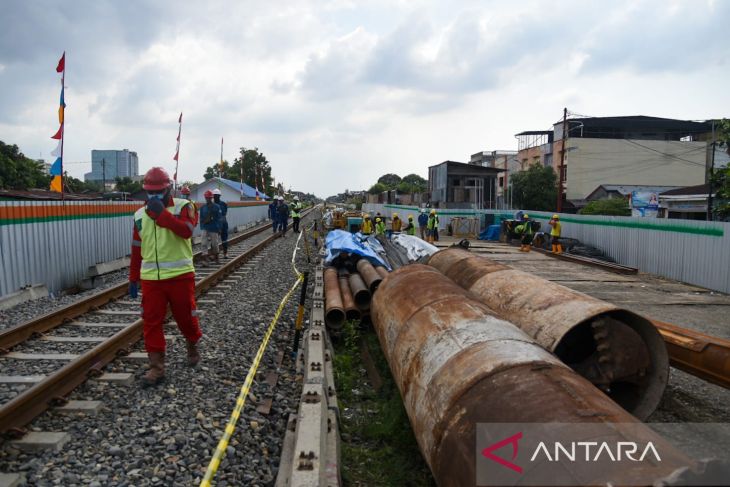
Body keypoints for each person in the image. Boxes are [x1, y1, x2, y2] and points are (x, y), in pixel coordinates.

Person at [128, 167, 202, 387]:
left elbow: (186, 231)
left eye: (158, 191)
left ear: (169, 188)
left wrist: (162, 215)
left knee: (185, 317)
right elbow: (136, 247)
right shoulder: (139, 215)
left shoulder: (184, 207)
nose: (154, 196)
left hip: (180, 276)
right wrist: (133, 277)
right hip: (151, 279)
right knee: (151, 322)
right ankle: (156, 368)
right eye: (150, 192)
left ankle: (192, 344)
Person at [200, 190, 222, 264]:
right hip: (205, 227)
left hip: (214, 227)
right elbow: (201, 218)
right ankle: (205, 257)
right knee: (203, 243)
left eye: (209, 198)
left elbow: (219, 218)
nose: (208, 199)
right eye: (206, 198)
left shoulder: (217, 207)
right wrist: (202, 227)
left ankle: (216, 256)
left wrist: (219, 228)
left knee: (215, 243)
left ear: (212, 198)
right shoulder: (203, 207)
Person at [212, 188, 229, 258]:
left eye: (217, 195)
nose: (215, 197)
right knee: (214, 241)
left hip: (223, 224)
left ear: (219, 196)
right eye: (214, 195)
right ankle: (215, 255)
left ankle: (225, 253)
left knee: (224, 239)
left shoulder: (223, 204)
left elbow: (224, 214)